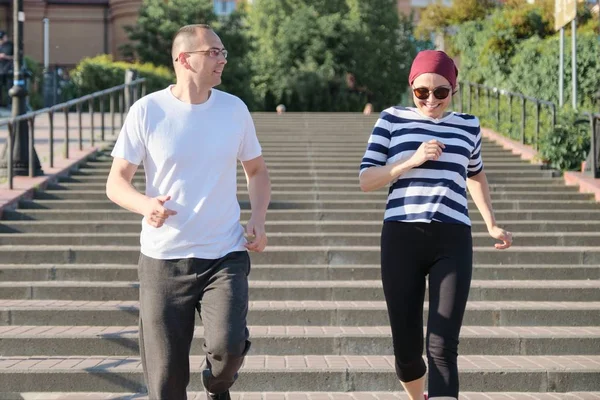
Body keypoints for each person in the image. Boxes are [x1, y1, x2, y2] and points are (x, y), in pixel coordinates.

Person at [106, 24, 271, 400]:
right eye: (213, 52)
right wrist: (145, 205)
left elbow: (257, 171)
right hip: (164, 260)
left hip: (224, 254)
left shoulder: (234, 109)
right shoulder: (148, 111)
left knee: (229, 349)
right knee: (165, 383)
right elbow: (116, 182)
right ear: (184, 59)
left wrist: (258, 216)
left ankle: (215, 386)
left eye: (223, 52)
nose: (222, 59)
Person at [359, 50, 513, 400]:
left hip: (453, 238)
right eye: (422, 92)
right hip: (401, 236)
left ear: (453, 90)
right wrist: (411, 160)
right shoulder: (390, 120)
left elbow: (475, 174)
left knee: (443, 345)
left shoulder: (468, 125)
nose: (431, 100)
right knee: (407, 350)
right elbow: (366, 179)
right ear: (411, 87)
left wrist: (490, 223)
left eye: (441, 92)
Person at [0, 30, 13, 107]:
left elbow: (15, 57)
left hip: (8, 70)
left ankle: (9, 104)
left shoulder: (10, 45)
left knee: (9, 87)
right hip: (0, 70)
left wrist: (6, 57)